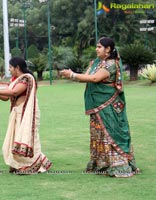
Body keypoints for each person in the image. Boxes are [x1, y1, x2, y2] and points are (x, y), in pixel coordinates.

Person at [60, 37, 140, 177]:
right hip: (97, 104)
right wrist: (71, 76)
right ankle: (101, 163)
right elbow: (86, 77)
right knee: (98, 133)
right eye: (96, 46)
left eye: (99, 47)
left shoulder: (111, 64)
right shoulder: (96, 62)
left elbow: (96, 78)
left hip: (109, 104)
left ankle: (117, 164)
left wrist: (72, 74)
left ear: (107, 49)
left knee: (112, 131)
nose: (96, 49)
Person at [0, 56, 52, 175]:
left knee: (27, 137)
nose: (9, 70)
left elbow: (14, 92)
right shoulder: (15, 80)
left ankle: (32, 165)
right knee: (17, 138)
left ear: (17, 67)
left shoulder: (26, 78)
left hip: (27, 113)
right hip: (17, 112)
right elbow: (6, 97)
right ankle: (19, 164)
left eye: (10, 67)